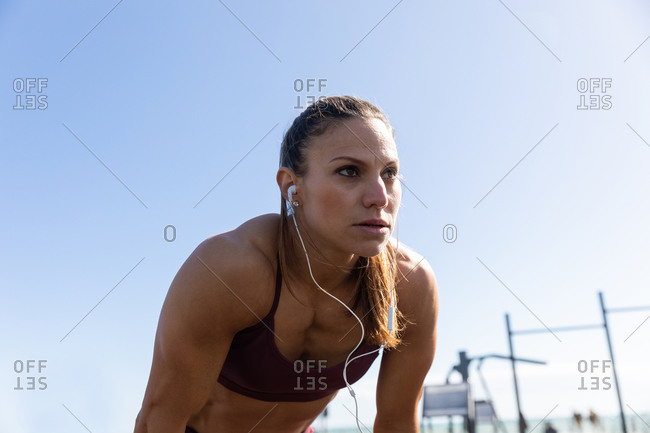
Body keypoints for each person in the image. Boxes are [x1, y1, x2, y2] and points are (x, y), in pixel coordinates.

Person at [133, 96, 439, 433]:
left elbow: (397, 422)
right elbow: (157, 421)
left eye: (389, 173)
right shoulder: (230, 270)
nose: (379, 197)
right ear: (292, 188)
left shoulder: (408, 283)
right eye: (349, 171)